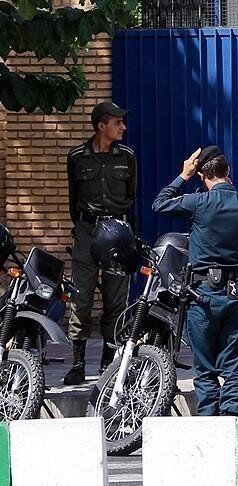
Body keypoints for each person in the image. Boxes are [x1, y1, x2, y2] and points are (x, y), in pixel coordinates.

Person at [152, 146, 238, 416]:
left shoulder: (197, 202)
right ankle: (234, 417)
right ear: (229, 171)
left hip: (202, 294)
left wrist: (183, 175)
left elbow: (160, 203)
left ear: (202, 175)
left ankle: (209, 421)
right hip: (236, 292)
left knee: (204, 367)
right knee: (233, 363)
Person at [64, 101, 136, 385]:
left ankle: (108, 361)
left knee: (115, 298)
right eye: (117, 123)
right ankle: (78, 363)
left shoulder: (127, 156)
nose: (123, 127)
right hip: (87, 231)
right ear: (101, 126)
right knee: (80, 296)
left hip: (117, 230)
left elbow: (131, 196)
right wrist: (84, 226)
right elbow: (74, 199)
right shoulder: (76, 157)